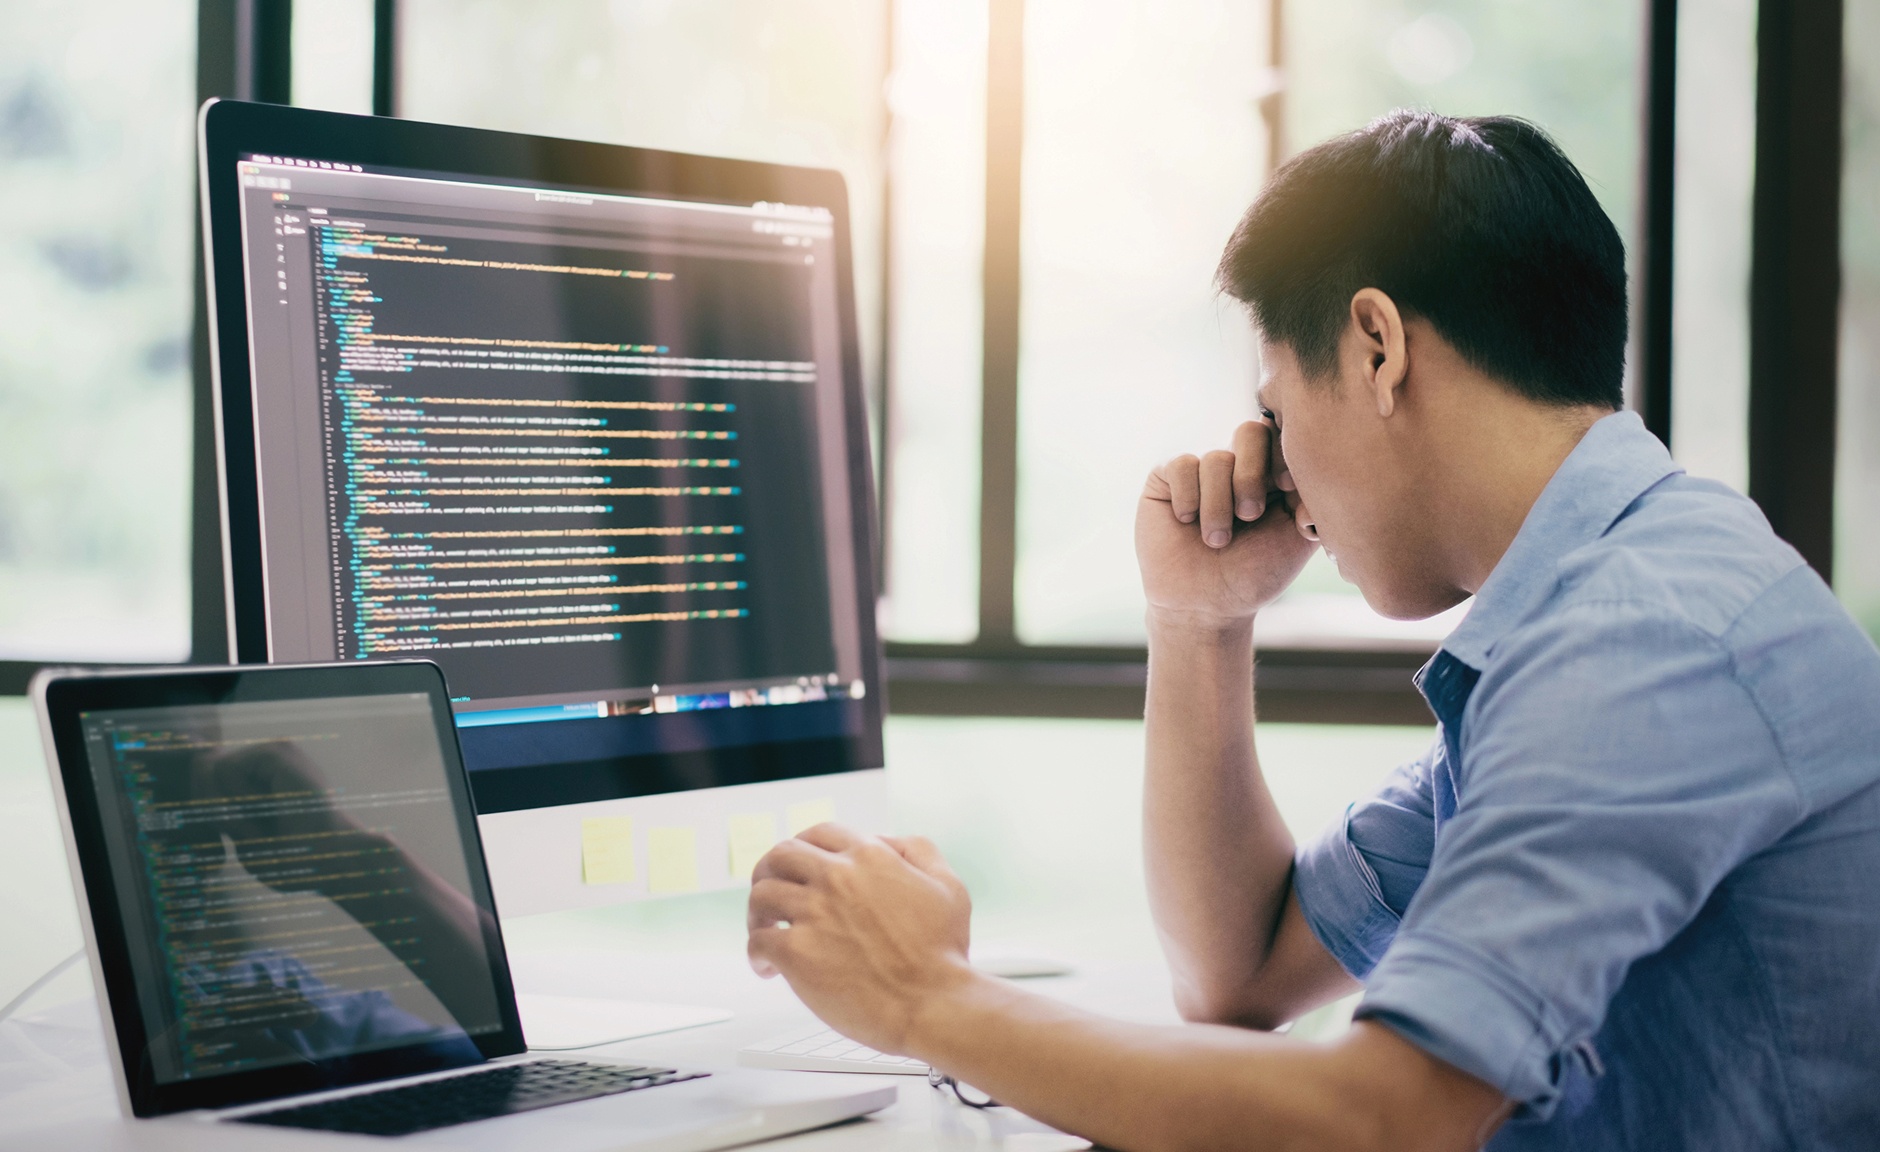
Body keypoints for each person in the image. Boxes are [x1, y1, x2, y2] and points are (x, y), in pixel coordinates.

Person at [744, 111, 1880, 1150]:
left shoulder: (1640, 644)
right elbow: (1240, 974)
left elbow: (1382, 1124)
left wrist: (921, 998)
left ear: (1376, 347)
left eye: (1276, 408)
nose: (1274, 467)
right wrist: (1199, 620)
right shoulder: (1596, 602)